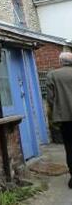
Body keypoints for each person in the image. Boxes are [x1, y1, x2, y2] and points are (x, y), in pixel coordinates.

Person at [47, 51, 72, 189]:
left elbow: (50, 98)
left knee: (69, 147)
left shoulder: (53, 75)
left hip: (65, 117)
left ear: (61, 62)